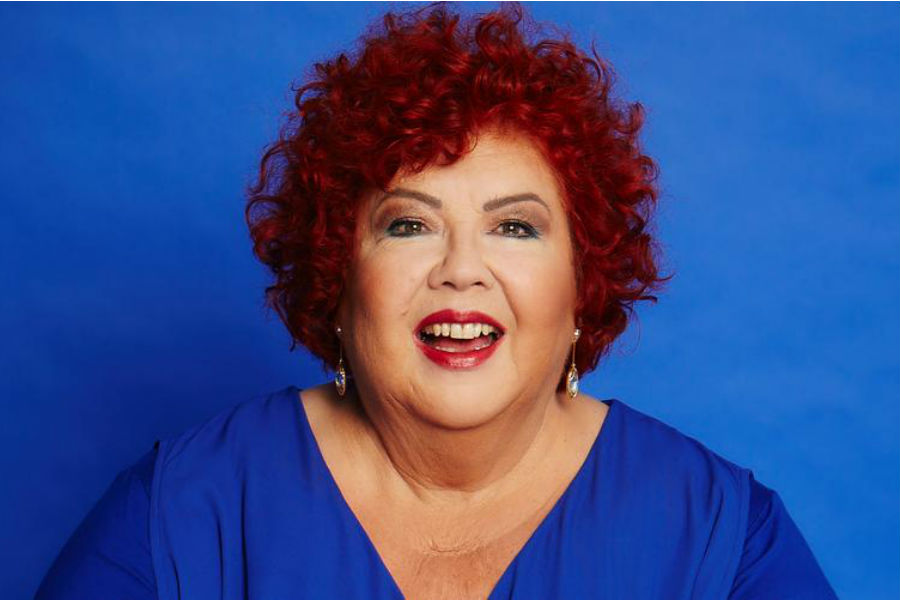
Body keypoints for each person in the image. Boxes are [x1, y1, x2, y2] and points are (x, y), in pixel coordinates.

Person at [36, 4, 839, 599]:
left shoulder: (722, 537)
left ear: (583, 284)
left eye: (515, 227)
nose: (461, 270)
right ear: (339, 276)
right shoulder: (180, 513)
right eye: (409, 224)